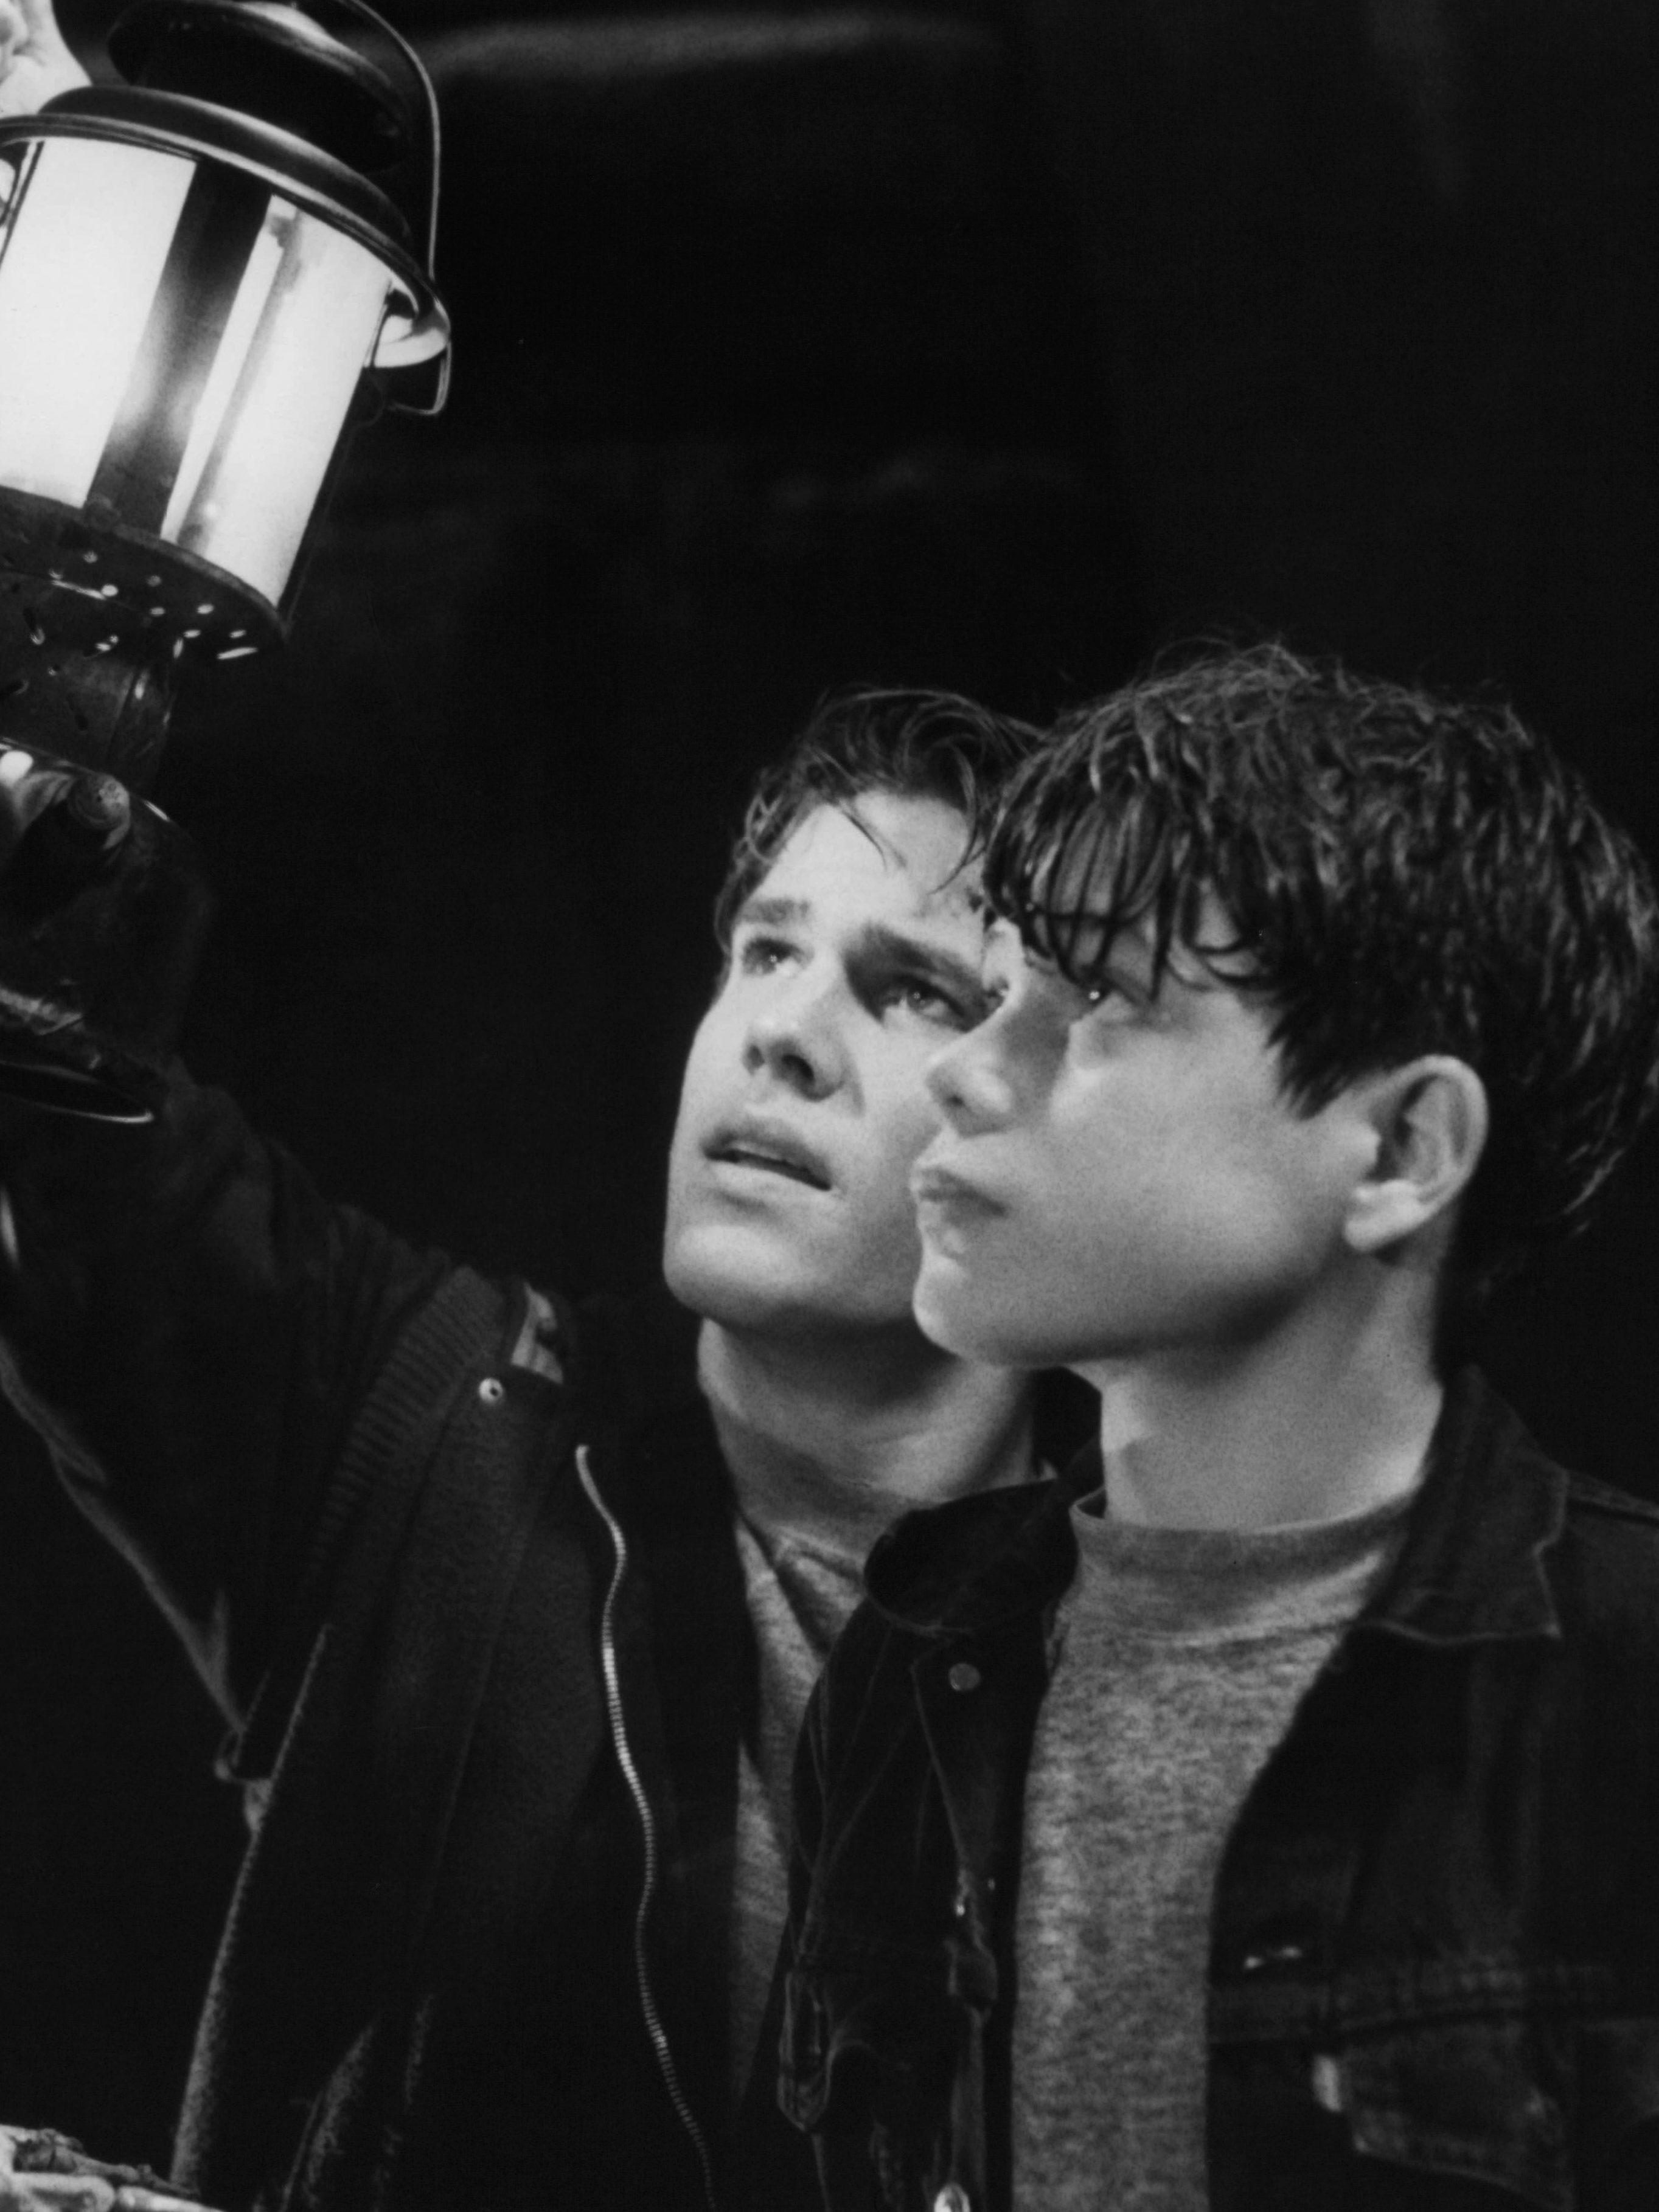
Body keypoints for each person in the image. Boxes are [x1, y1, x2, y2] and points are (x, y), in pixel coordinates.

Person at [0, 685, 1077, 2212]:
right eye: (764, 950)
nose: (781, 1031)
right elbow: (67, 1129)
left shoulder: (1153, 1606)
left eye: (911, 992)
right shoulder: (436, 1418)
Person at [775, 644, 1659, 2211]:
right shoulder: (916, 1660)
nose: (965, 1075)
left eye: (1097, 999)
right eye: (993, 998)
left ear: (1399, 1145)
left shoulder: (1620, 1683)